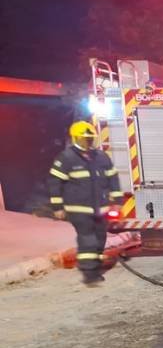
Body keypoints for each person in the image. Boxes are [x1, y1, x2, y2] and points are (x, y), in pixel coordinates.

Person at [47, 121, 123, 285]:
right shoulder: (66, 158)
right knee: (87, 238)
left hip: (100, 209)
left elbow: (113, 178)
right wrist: (58, 207)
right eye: (84, 139)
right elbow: (55, 183)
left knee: (100, 238)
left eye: (89, 139)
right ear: (75, 138)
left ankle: (94, 266)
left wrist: (117, 200)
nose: (87, 142)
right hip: (78, 209)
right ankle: (90, 273)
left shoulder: (101, 157)